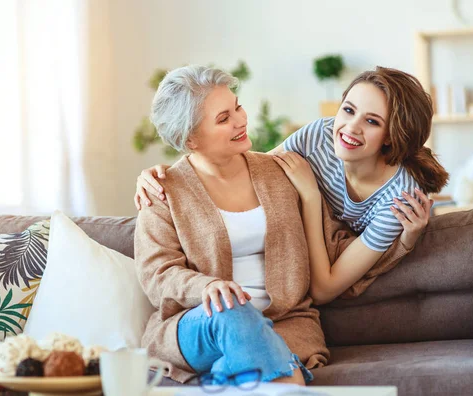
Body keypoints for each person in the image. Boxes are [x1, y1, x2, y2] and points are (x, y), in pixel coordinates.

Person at [134, 66, 445, 304]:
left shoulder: (397, 199)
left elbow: (323, 289)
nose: (351, 128)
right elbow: (252, 169)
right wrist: (173, 173)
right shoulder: (318, 137)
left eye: (372, 121)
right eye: (348, 110)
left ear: (392, 134)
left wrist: (310, 198)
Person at [134, 65, 328, 386]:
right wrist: (206, 288)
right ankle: (285, 381)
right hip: (203, 325)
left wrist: (404, 235)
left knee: (245, 342)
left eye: (237, 106)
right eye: (224, 118)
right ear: (190, 138)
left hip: (284, 323)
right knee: (231, 307)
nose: (241, 120)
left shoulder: (279, 171)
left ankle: (230, 369)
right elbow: (158, 275)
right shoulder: (162, 190)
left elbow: (336, 224)